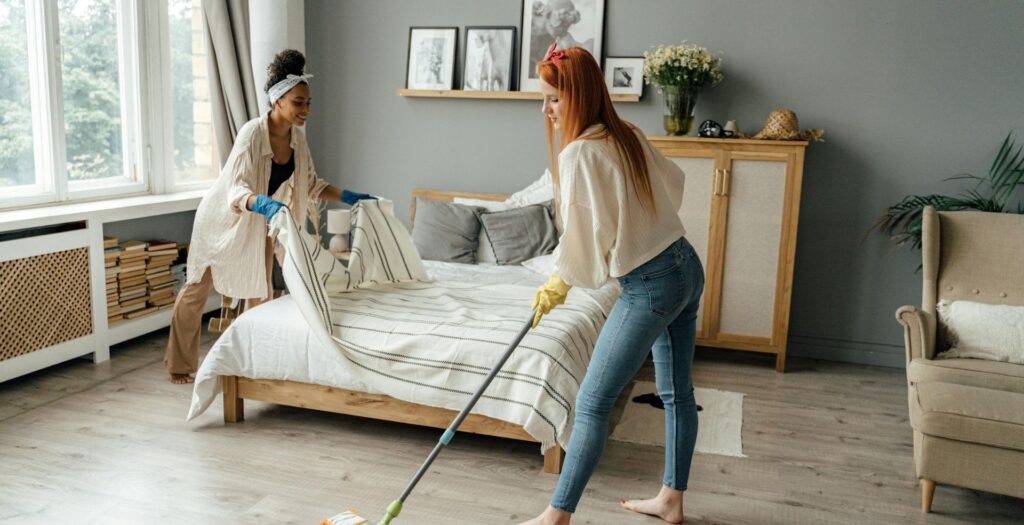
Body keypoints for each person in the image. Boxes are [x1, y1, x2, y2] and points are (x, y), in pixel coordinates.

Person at [518, 45, 705, 525]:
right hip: (685, 264)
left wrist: (561, 282)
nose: (547, 111)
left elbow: (584, 237)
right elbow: (673, 183)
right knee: (677, 392)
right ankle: (671, 499)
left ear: (578, 97)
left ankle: (556, 517)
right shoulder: (626, 133)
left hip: (650, 285)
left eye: (554, 99)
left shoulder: (580, 153)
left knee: (593, 400)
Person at [164, 49, 372, 384]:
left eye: (308, 103)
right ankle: (179, 365)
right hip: (222, 221)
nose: (305, 110)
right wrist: (265, 205)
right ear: (278, 101)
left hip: (258, 222)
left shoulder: (297, 140)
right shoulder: (252, 133)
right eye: (298, 103)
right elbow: (236, 189)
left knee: (261, 291)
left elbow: (311, 184)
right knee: (196, 290)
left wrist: (348, 197)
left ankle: (254, 361)